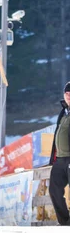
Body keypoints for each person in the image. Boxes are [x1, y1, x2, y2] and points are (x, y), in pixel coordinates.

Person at [49, 82, 70, 225]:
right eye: (67, 94)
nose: (69, 97)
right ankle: (65, 222)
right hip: (60, 159)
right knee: (54, 190)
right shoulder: (63, 112)